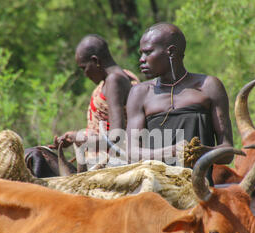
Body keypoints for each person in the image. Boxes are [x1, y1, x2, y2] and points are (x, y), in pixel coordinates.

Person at [125, 22, 234, 181]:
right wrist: (172, 151)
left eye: (148, 52)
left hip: (198, 189)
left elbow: (228, 151)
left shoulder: (208, 86)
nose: (141, 60)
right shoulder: (139, 93)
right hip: (154, 191)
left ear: (171, 52)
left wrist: (202, 152)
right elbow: (131, 154)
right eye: (141, 53)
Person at [53, 34, 139, 168]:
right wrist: (73, 137)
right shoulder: (123, 75)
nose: (85, 74)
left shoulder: (114, 80)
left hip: (111, 163)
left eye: (84, 68)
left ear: (95, 61)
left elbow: (117, 136)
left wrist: (80, 138)